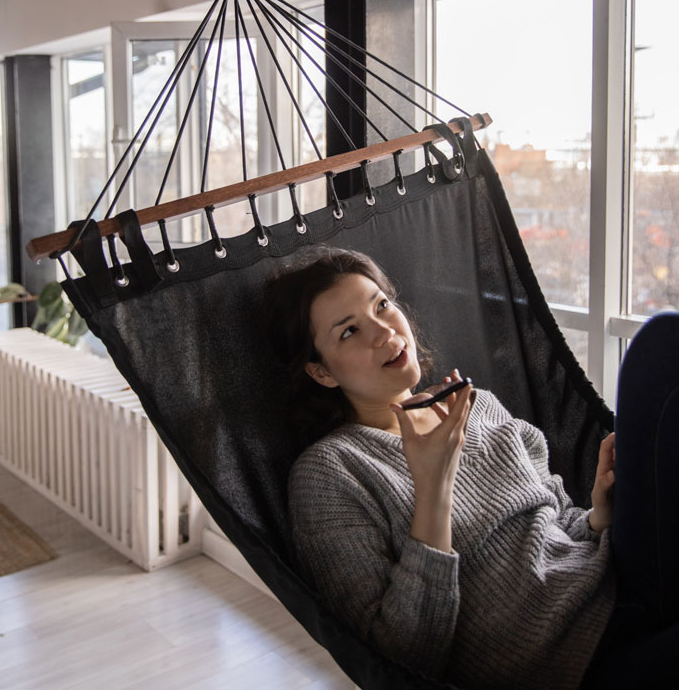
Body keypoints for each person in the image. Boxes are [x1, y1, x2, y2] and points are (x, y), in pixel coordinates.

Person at [264, 246, 679, 690]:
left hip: (618, 576)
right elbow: (401, 657)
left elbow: (559, 525)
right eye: (349, 332)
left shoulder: (476, 405)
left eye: (382, 305)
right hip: (567, 661)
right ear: (322, 372)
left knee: (662, 343)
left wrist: (598, 514)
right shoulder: (330, 474)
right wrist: (432, 488)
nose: (384, 332)